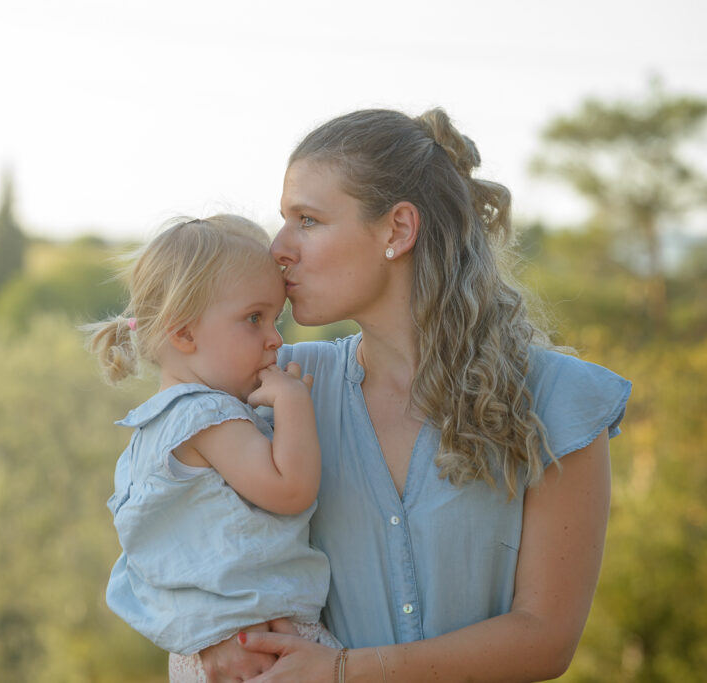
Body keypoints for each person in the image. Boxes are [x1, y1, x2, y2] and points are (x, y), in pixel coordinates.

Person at [198, 109, 632, 682]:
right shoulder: (279, 387)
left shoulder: (559, 399)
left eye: (307, 220)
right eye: (285, 220)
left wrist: (345, 672)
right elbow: (168, 520)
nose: (279, 247)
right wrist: (205, 640)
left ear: (398, 230)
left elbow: (546, 639)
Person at [85, 215, 341, 682]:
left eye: (275, 318)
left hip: (204, 650)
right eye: (254, 318)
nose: (276, 338)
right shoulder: (208, 418)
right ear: (184, 334)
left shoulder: (154, 429)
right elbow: (291, 489)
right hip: (267, 646)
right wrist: (293, 404)